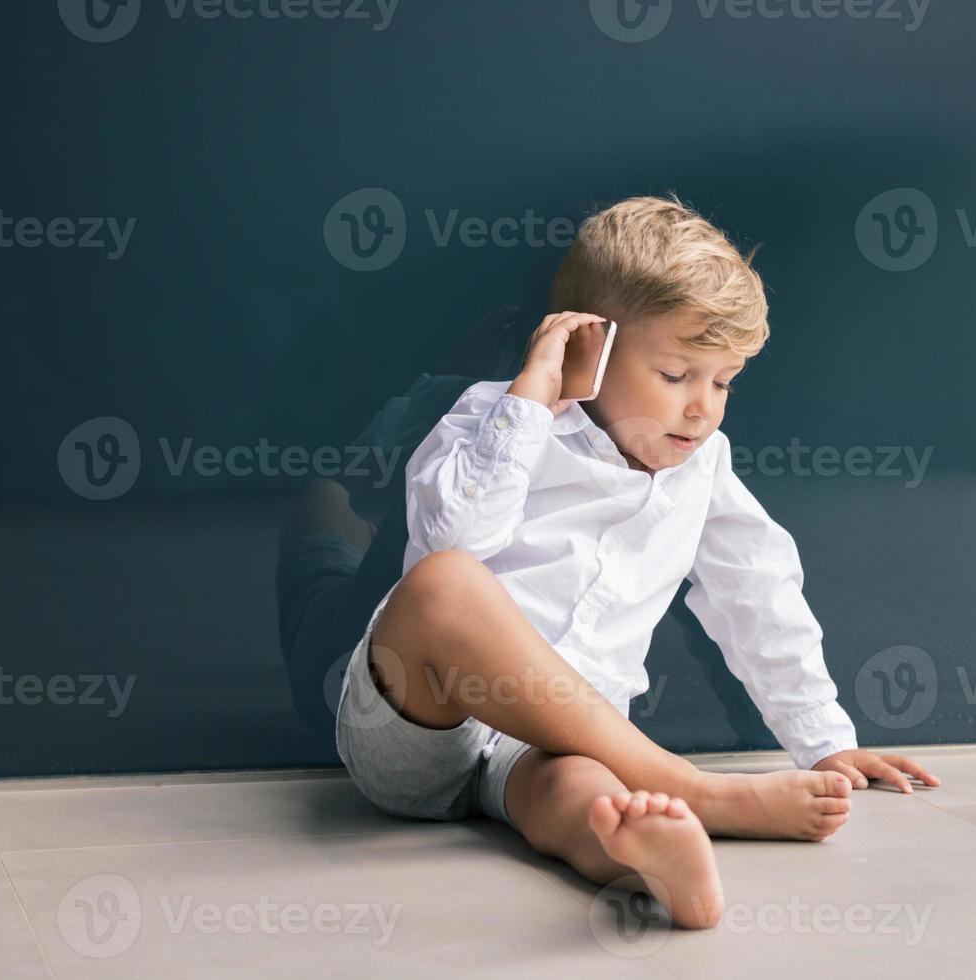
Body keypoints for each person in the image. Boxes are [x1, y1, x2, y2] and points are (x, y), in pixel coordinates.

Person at [327, 194, 942, 930]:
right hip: (421, 725)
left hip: (560, 743)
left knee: (589, 801)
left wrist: (825, 740)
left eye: (723, 382)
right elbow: (450, 536)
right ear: (591, 348)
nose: (702, 409)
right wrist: (535, 393)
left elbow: (759, 592)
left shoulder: (704, 466)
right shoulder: (498, 417)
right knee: (445, 582)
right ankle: (697, 792)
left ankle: (653, 862)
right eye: (677, 374)